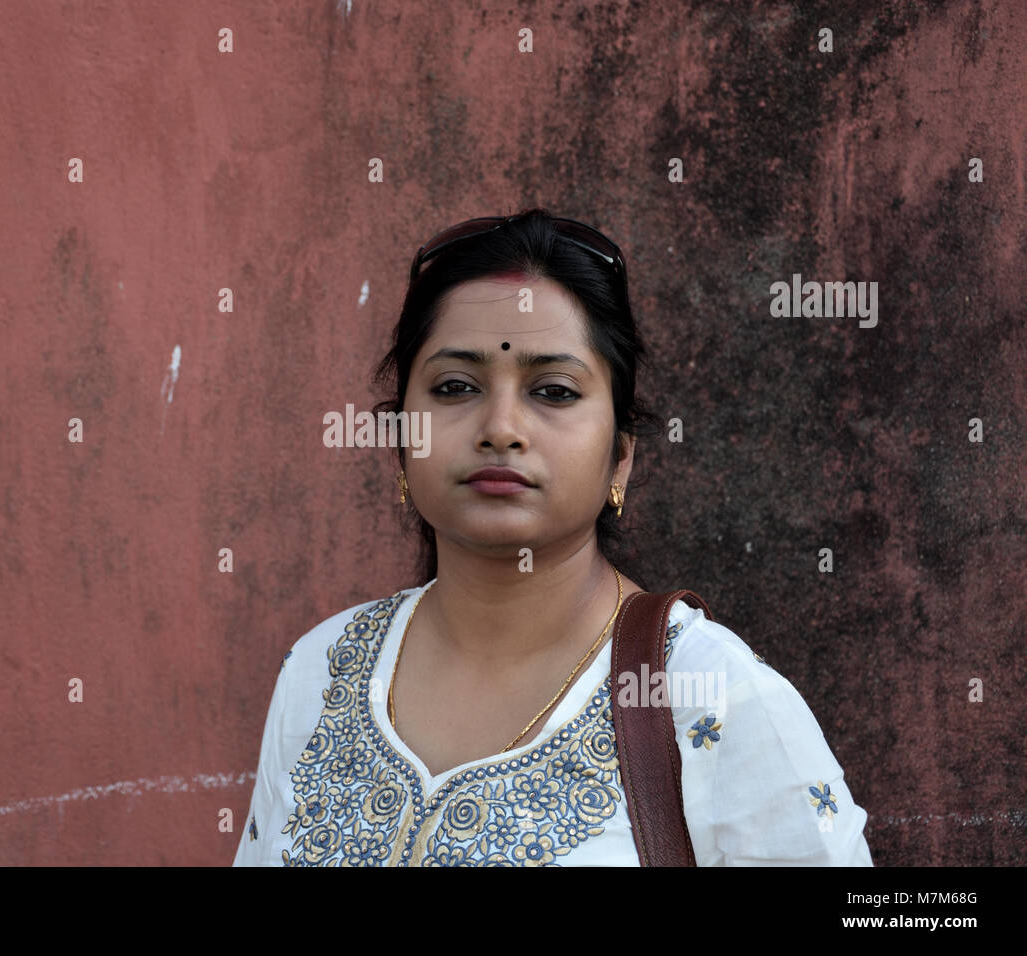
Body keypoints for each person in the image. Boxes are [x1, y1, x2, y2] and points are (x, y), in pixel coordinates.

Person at [232, 209, 872, 866]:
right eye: (455, 386)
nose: (501, 427)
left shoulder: (711, 694)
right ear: (400, 443)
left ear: (621, 455)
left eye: (554, 390)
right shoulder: (320, 670)